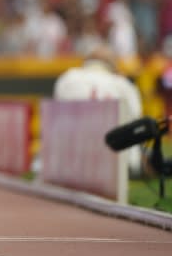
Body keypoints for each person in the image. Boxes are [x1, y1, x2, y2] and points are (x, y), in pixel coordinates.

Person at [53, 45, 145, 176]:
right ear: (112, 64)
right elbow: (136, 125)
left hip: (69, 160)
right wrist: (134, 164)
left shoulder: (67, 78)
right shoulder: (123, 84)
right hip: (113, 162)